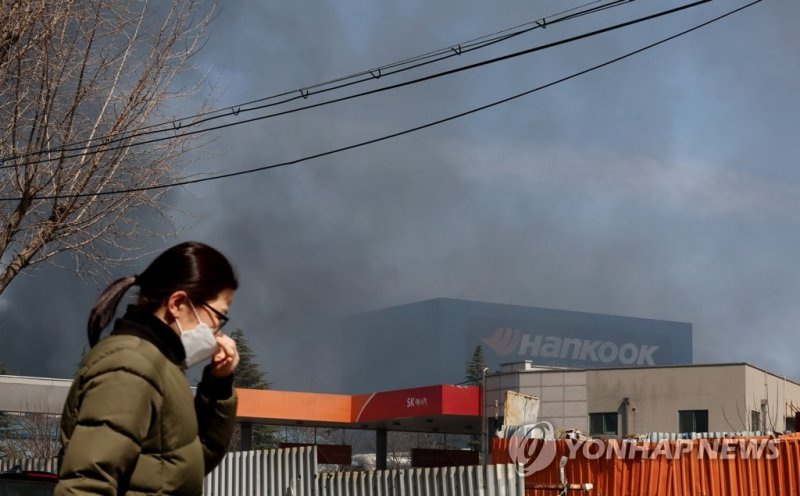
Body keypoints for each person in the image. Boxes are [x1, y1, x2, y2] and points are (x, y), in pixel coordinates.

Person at [55, 241, 241, 496]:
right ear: (177, 304)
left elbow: (181, 464)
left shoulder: (160, 366)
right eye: (218, 315)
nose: (218, 329)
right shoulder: (130, 365)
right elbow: (87, 483)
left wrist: (218, 384)